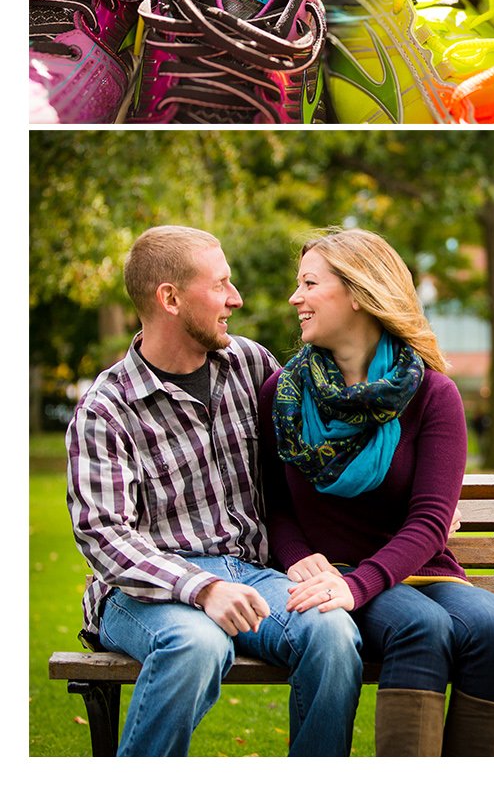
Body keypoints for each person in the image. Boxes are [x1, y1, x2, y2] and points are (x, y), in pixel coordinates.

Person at [65, 225, 363, 757]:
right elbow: (104, 535)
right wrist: (201, 588)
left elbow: (327, 434)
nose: (236, 299)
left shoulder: (251, 365)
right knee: (195, 643)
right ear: (170, 299)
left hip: (253, 576)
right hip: (146, 592)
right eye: (220, 284)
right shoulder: (106, 408)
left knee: (334, 634)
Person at [259, 228, 494, 756]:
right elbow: (275, 506)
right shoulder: (282, 396)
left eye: (310, 284)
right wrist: (297, 559)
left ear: (358, 293)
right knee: (418, 625)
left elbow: (431, 521)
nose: (296, 298)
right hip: (329, 578)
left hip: (414, 572)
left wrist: (360, 585)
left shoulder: (433, 394)